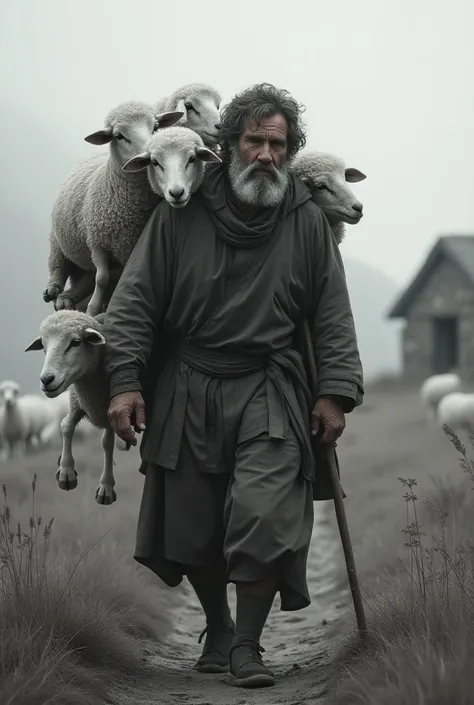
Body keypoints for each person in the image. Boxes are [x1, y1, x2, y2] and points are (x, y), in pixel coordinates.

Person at [103, 82, 364, 689]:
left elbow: (332, 311)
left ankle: (247, 644)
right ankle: (217, 626)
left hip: (271, 385)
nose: (267, 155)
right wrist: (123, 382)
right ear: (230, 144)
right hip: (190, 382)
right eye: (255, 141)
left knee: (265, 514)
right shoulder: (181, 211)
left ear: (291, 151)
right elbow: (136, 300)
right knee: (193, 525)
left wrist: (335, 392)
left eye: (279, 144)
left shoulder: (305, 220)